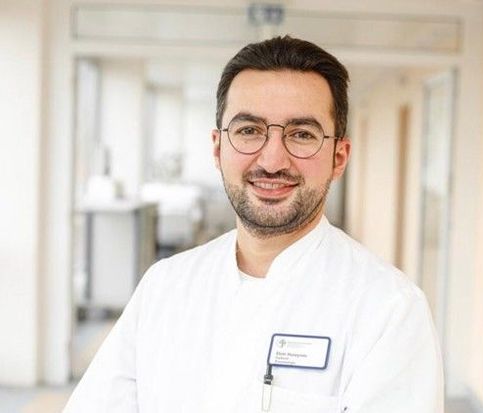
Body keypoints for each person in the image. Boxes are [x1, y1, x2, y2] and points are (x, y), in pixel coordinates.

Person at [64, 36, 443, 413]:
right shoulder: (164, 287)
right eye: (249, 131)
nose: (272, 161)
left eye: (302, 134)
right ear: (217, 148)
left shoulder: (387, 309)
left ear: (339, 157)